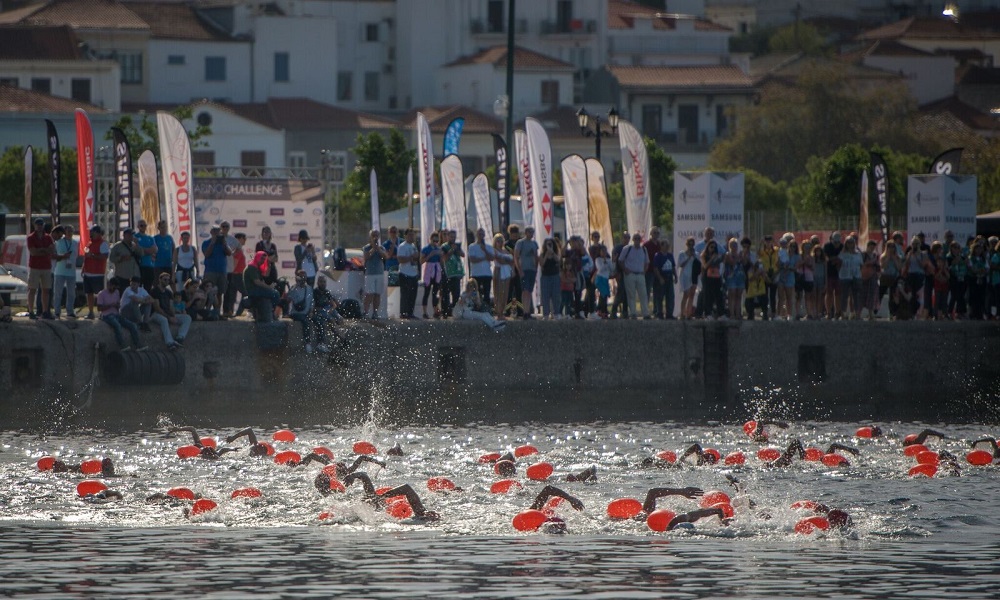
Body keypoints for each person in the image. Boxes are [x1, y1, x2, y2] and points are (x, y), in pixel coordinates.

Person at [324, 471, 439, 521]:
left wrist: (381, 497)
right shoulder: (374, 508)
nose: (368, 501)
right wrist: (353, 475)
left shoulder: (420, 513)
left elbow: (407, 487)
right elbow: (364, 476)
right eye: (366, 501)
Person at [96, 278, 143, 351]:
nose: (114, 289)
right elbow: (99, 308)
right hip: (106, 315)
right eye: (113, 287)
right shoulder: (101, 294)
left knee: (132, 325)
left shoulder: (117, 292)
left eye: (116, 288)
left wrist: (117, 306)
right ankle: (122, 345)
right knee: (117, 325)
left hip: (116, 314)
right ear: (109, 285)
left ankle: (138, 345)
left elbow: (118, 304)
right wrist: (110, 305)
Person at [149, 272, 192, 349]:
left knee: (187, 318)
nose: (166, 281)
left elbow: (171, 306)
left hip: (167, 313)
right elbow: (157, 308)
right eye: (165, 279)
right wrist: (169, 318)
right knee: (164, 320)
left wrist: (173, 315)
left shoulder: (169, 292)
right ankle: (169, 342)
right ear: (160, 279)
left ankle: (180, 337)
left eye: (168, 280)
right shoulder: (154, 291)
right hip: (155, 314)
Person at [26, 218, 55, 320]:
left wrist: (41, 250)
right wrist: (44, 250)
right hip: (34, 267)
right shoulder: (30, 238)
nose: (39, 226)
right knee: (32, 289)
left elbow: (52, 250)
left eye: (41, 225)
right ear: (35, 225)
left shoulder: (48, 237)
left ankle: (45, 311)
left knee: (46, 290)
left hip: (46, 266)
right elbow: (33, 252)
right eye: (38, 225)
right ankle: (30, 311)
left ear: (43, 225)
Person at [619, 232, 650, 319]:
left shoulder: (644, 249)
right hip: (630, 274)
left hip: (640, 274)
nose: (637, 240)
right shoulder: (627, 248)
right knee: (631, 295)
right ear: (632, 240)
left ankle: (646, 313)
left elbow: (647, 262)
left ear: (641, 240)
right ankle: (633, 313)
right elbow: (620, 260)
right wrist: (625, 269)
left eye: (638, 239)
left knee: (643, 294)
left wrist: (644, 271)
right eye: (635, 238)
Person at [82, 224, 109, 320]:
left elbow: (104, 256)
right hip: (88, 272)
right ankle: (90, 312)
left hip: (97, 273)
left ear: (98, 233)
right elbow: (86, 257)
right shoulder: (89, 243)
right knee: (89, 293)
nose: (90, 233)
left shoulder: (103, 244)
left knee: (100, 294)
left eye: (92, 231)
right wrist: (83, 268)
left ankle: (103, 313)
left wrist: (93, 256)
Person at [243, 251, 278, 322]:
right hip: (253, 290)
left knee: (275, 292)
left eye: (264, 259)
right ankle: (272, 311)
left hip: (257, 289)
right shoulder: (252, 268)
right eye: (261, 259)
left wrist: (269, 264)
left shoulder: (256, 267)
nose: (262, 261)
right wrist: (269, 287)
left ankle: (271, 311)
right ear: (257, 258)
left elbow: (265, 276)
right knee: (275, 294)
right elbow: (257, 282)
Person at [52, 224, 78, 319]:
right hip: (60, 271)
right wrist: (63, 256)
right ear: (64, 232)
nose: (70, 233)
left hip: (71, 272)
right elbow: (55, 254)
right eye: (68, 231)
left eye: (71, 231)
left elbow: (76, 256)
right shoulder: (59, 242)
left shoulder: (75, 243)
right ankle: (57, 311)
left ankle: (70, 310)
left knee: (71, 293)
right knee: (58, 292)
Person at [361, 229, 388, 320]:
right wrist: (373, 248)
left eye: (376, 235)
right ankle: (365, 312)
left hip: (379, 273)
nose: (375, 237)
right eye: (373, 235)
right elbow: (366, 257)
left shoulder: (382, 248)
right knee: (369, 294)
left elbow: (384, 256)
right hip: (370, 274)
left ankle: (375, 312)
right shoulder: (366, 248)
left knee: (377, 294)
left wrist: (377, 248)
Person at [313, 275, 343, 353]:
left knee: (339, 318)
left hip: (327, 309)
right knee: (329, 319)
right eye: (321, 282)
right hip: (319, 311)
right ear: (317, 283)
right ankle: (339, 336)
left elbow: (334, 305)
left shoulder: (327, 292)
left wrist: (330, 310)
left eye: (324, 282)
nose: (323, 284)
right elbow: (313, 307)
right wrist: (327, 311)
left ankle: (340, 335)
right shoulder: (315, 292)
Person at [514, 227, 539, 319]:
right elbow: (516, 257)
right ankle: (525, 311)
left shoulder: (534, 243)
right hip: (524, 269)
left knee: (529, 291)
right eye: (530, 232)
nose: (531, 233)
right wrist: (519, 270)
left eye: (533, 232)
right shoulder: (520, 243)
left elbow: (536, 257)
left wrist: (536, 269)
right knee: (525, 291)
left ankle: (528, 312)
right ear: (526, 232)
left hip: (532, 270)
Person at [287, 270, 314, 352]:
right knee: (305, 321)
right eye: (300, 276)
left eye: (304, 277)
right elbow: (288, 300)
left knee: (316, 319)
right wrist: (294, 288)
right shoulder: (294, 288)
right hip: (296, 313)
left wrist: (311, 312)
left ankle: (321, 342)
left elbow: (311, 302)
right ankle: (307, 343)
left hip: (305, 313)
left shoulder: (309, 289)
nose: (302, 278)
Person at [440, 229, 465, 318]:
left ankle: (453, 311)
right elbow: (444, 258)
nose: (453, 238)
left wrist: (457, 250)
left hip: (456, 273)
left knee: (456, 294)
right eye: (451, 237)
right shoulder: (444, 246)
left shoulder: (457, 246)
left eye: (454, 237)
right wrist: (451, 250)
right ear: (448, 237)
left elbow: (463, 254)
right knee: (445, 294)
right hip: (447, 273)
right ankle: (445, 312)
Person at [202, 226, 231, 300]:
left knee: (220, 293)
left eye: (218, 231)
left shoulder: (223, 243)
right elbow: (207, 254)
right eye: (214, 231)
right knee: (208, 291)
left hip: (222, 271)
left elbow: (229, 253)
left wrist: (224, 243)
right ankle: (207, 309)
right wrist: (212, 243)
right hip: (210, 271)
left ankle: (217, 310)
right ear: (211, 232)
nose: (216, 233)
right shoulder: (206, 242)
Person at [396, 228, 420, 319]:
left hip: (413, 272)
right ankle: (403, 312)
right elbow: (400, 259)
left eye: (413, 235)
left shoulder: (413, 246)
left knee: (413, 295)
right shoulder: (402, 246)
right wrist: (410, 257)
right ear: (405, 236)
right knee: (405, 294)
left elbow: (417, 257)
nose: (411, 237)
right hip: (405, 273)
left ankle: (410, 312)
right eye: (409, 235)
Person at [420, 231, 444, 319]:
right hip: (429, 270)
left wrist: (441, 256)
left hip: (436, 270)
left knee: (435, 293)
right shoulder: (426, 249)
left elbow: (442, 263)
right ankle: (425, 312)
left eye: (437, 241)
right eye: (434, 241)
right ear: (430, 240)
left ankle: (435, 311)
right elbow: (421, 261)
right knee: (426, 292)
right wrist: (430, 255)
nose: (435, 243)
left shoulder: (439, 249)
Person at [838, 237, 863, 320]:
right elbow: (838, 265)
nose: (850, 244)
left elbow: (861, 265)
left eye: (851, 243)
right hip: (845, 276)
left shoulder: (858, 254)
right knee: (844, 296)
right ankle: (843, 313)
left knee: (856, 295)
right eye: (848, 243)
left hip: (856, 276)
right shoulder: (842, 254)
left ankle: (857, 313)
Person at [468, 228, 494, 305]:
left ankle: (487, 309)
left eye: (482, 234)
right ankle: (476, 308)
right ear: (477, 235)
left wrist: (485, 250)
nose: (481, 236)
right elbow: (472, 259)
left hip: (487, 273)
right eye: (479, 234)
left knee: (486, 293)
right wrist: (484, 258)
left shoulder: (488, 247)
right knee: (475, 293)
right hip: (476, 274)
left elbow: (492, 258)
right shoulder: (472, 246)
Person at [699, 240, 724, 320]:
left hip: (716, 277)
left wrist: (719, 258)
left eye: (714, 247)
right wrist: (711, 259)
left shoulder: (716, 255)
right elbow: (705, 266)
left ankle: (720, 313)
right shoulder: (704, 255)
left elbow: (719, 264)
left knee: (718, 295)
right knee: (707, 295)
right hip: (707, 277)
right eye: (711, 247)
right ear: (708, 247)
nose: (713, 249)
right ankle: (707, 313)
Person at [653, 239, 677, 319]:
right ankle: (659, 313)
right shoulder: (658, 255)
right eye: (665, 245)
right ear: (661, 246)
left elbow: (673, 266)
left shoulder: (670, 255)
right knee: (660, 296)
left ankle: (669, 314)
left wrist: (675, 276)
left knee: (670, 296)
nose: (667, 247)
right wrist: (660, 278)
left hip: (669, 277)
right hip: (661, 277)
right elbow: (655, 268)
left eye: (668, 245)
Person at [538, 237, 562, 319]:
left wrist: (552, 252)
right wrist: (547, 254)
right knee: (545, 296)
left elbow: (558, 260)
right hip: (545, 277)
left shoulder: (556, 253)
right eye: (547, 244)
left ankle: (556, 313)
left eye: (550, 244)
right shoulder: (542, 254)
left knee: (556, 296)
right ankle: (545, 314)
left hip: (555, 276)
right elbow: (542, 263)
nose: (549, 245)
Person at [492, 234, 514, 320]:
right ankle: (498, 312)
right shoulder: (494, 250)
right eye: (498, 241)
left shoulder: (506, 251)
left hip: (507, 272)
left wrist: (508, 262)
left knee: (505, 293)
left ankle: (503, 311)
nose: (500, 243)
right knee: (499, 292)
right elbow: (500, 261)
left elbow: (512, 260)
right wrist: (508, 261)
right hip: (499, 271)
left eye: (501, 241)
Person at [225, 232, 247, 318]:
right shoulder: (237, 251)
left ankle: (231, 311)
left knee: (232, 294)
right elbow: (234, 264)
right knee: (245, 293)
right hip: (236, 275)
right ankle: (237, 312)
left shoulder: (237, 251)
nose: (245, 241)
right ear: (239, 239)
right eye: (243, 238)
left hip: (237, 275)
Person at [823, 232, 844, 319]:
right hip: (829, 273)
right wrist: (836, 259)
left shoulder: (842, 247)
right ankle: (828, 312)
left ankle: (838, 312)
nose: (837, 244)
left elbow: (841, 259)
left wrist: (834, 259)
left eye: (838, 242)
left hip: (839, 273)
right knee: (829, 293)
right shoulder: (827, 246)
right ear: (831, 240)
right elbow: (827, 258)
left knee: (838, 293)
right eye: (835, 242)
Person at [758, 234, 779, 317]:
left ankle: (773, 312)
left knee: (773, 295)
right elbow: (758, 252)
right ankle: (765, 312)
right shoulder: (763, 251)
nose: (768, 243)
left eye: (769, 241)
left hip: (774, 273)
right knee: (765, 294)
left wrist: (774, 241)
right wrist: (761, 243)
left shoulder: (775, 250)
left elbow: (779, 248)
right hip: (765, 273)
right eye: (767, 241)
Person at [678, 237, 698, 319]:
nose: (691, 245)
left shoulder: (696, 254)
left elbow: (698, 264)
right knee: (685, 295)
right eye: (689, 243)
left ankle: (688, 313)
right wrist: (689, 257)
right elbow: (681, 265)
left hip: (693, 276)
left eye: (692, 244)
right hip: (685, 276)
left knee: (692, 295)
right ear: (687, 244)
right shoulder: (682, 254)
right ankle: (682, 313)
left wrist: (694, 256)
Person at [134, 220, 157, 289]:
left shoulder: (150, 238)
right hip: (139, 266)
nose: (143, 227)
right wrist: (148, 250)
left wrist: (143, 249)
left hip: (149, 265)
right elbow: (136, 249)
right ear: (138, 226)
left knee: (148, 286)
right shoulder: (135, 237)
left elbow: (154, 250)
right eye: (141, 225)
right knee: (138, 286)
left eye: (144, 225)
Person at [592, 243, 612, 318]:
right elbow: (600, 269)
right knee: (603, 293)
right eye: (602, 251)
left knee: (605, 294)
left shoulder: (608, 259)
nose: (604, 253)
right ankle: (600, 310)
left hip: (605, 278)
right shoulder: (598, 260)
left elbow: (611, 268)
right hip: (600, 278)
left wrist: (608, 262)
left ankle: (603, 309)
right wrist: (604, 262)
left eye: (605, 251)